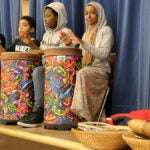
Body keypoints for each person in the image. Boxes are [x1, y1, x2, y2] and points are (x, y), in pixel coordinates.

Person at [17, 2, 73, 127]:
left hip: (60, 70)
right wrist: (29, 44)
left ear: (58, 16)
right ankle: (25, 109)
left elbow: (63, 55)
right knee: (28, 70)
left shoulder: (65, 32)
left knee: (38, 71)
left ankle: (38, 109)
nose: (45, 19)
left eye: (48, 16)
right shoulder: (46, 34)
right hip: (47, 67)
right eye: (44, 17)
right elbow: (41, 51)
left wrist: (41, 51)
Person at [60, 1, 114, 121]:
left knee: (82, 73)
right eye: (86, 13)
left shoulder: (106, 30)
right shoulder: (86, 33)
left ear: (99, 15)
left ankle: (84, 117)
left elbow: (104, 54)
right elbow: (81, 54)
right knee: (67, 73)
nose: (88, 16)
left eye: (93, 13)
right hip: (86, 69)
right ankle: (66, 116)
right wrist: (70, 43)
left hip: (100, 72)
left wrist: (83, 43)